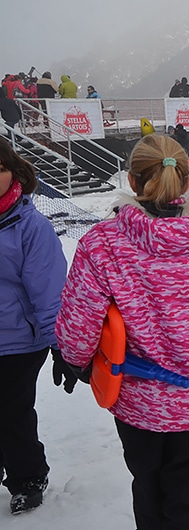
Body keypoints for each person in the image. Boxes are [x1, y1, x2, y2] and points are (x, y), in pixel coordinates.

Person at [55, 134, 189, 528]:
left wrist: (74, 361)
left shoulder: (101, 245)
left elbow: (79, 324)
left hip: (140, 406)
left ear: (133, 181)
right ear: (186, 182)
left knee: (149, 491)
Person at [0, 137, 69, 515]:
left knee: (11, 411)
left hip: (19, 341)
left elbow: (48, 292)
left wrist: (62, 346)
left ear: (14, 174)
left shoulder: (30, 227)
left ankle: (28, 476)